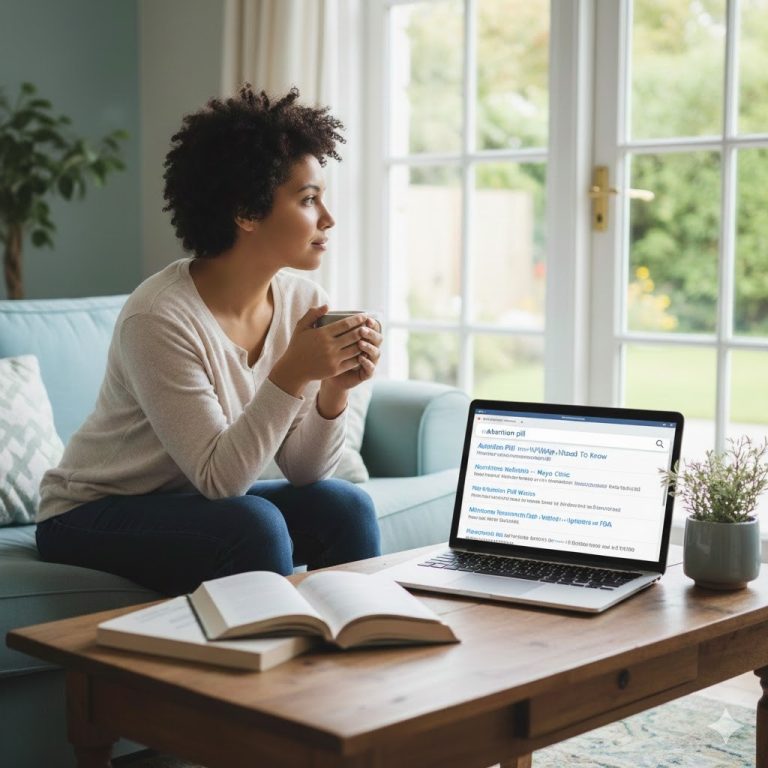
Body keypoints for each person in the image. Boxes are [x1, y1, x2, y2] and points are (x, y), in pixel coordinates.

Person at [36, 85, 383, 595]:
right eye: (309, 200)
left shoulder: (301, 300)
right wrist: (291, 372)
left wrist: (335, 390)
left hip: (190, 503)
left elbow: (305, 472)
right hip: (91, 512)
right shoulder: (159, 316)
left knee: (344, 505)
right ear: (245, 212)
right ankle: (270, 668)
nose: (327, 219)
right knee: (254, 523)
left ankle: (360, 644)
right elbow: (222, 482)